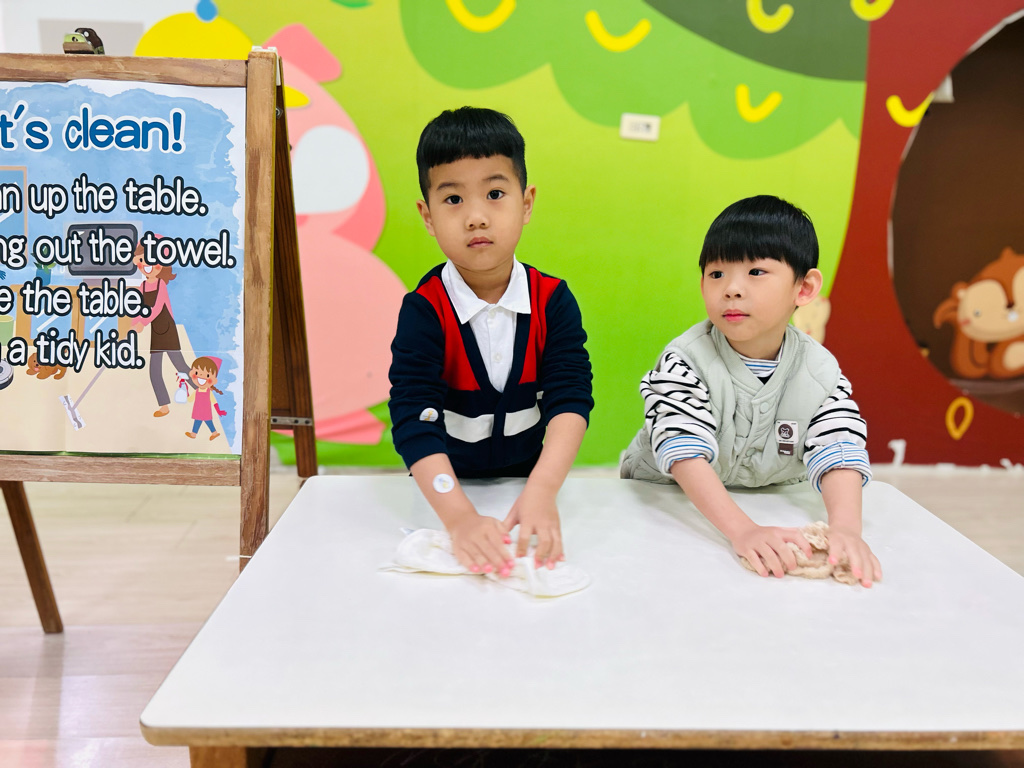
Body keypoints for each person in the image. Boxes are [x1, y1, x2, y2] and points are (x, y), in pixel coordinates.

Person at [620, 195, 882, 587]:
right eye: (716, 274)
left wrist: (845, 529)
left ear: (804, 288)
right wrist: (743, 530)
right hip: (669, 499)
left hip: (768, 497)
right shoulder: (685, 359)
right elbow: (683, 448)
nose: (731, 289)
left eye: (756, 271)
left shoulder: (820, 371)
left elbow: (839, 448)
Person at [389, 107, 593, 579]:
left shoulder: (553, 301)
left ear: (526, 203)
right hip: (444, 490)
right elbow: (414, 418)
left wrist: (543, 488)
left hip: (528, 486)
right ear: (427, 216)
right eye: (453, 199)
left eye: (495, 194)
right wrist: (459, 518)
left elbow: (570, 398)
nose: (476, 217)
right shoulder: (424, 310)